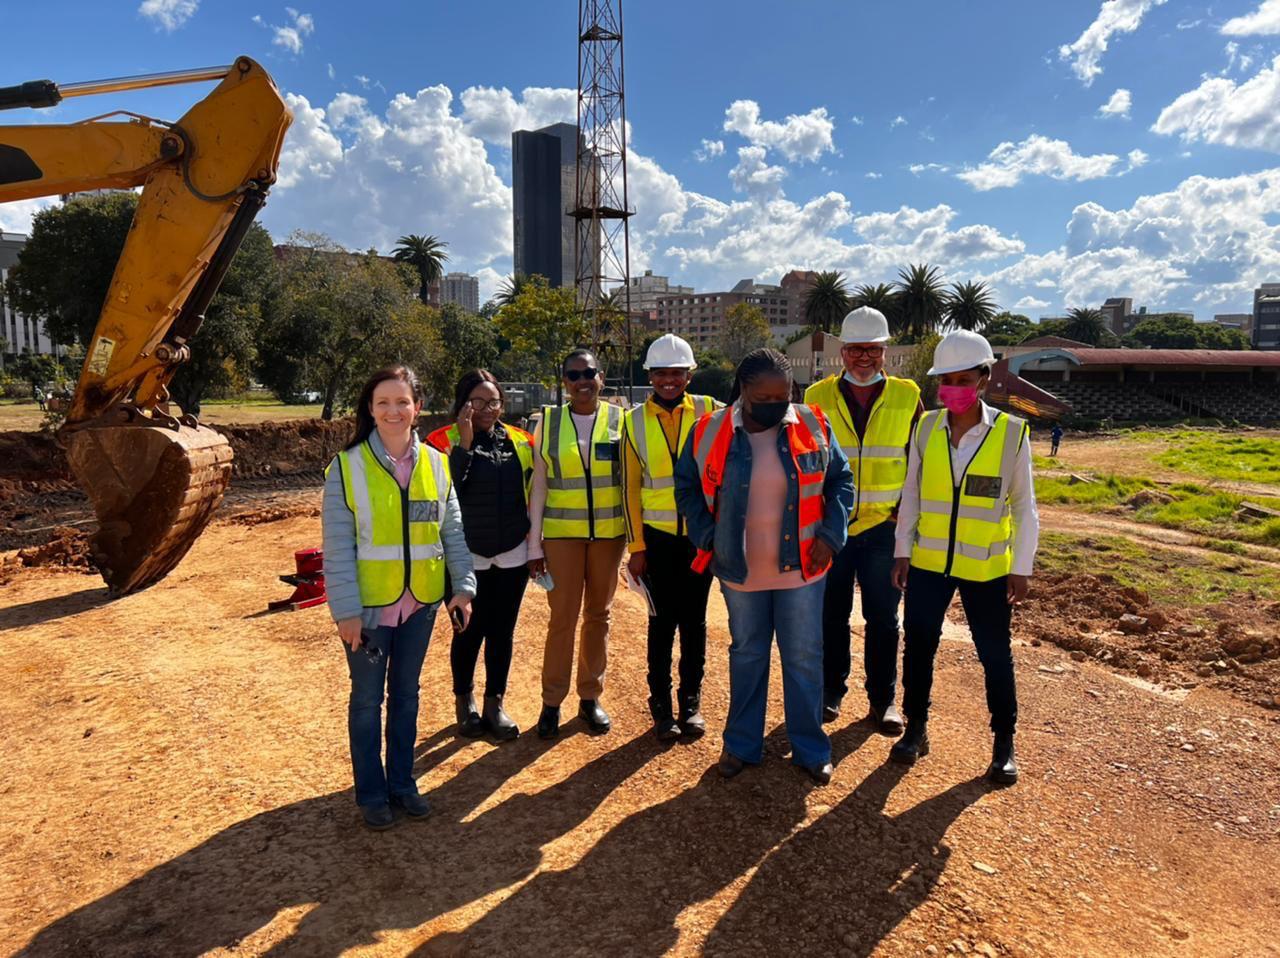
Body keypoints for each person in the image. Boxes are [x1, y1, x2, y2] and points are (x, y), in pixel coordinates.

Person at [675, 348, 853, 784]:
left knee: (804, 656)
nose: (776, 405)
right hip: (741, 568)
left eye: (784, 395)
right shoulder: (709, 430)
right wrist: (708, 537)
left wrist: (831, 536)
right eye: (764, 397)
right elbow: (686, 488)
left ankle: (811, 749)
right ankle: (741, 744)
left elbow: (841, 481)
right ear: (743, 390)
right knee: (748, 653)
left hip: (804, 567)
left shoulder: (814, 424)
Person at [322, 365, 476, 830]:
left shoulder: (436, 463)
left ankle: (403, 784)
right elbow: (337, 547)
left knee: (407, 696)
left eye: (402, 402)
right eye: (383, 402)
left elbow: (452, 532)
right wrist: (346, 611)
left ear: (417, 407)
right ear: (370, 410)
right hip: (368, 611)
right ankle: (372, 793)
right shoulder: (347, 467)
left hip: (420, 606)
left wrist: (463, 588)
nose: (394, 411)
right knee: (367, 701)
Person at [890, 330, 1040, 786]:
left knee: (994, 655)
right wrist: (902, 550)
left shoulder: (1011, 433)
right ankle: (916, 727)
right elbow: (912, 493)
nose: (952, 388)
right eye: (945, 380)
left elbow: (1024, 506)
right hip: (929, 562)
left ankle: (1003, 743)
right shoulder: (926, 427)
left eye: (962, 379)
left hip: (986, 568)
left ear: (984, 378)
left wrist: (1021, 567)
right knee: (919, 647)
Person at [804, 306, 923, 734]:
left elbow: (918, 459)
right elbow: (805, 458)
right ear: (842, 352)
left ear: (885, 351)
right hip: (831, 528)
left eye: (873, 349)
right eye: (856, 349)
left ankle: (882, 700)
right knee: (830, 615)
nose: (864, 358)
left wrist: (905, 515)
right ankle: (831, 691)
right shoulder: (816, 396)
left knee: (884, 619)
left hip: (883, 529)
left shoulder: (908, 395)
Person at [621, 334, 722, 741]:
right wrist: (636, 547)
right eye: (660, 373)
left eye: (677, 373)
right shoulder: (632, 422)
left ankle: (690, 704)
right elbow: (629, 488)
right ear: (649, 376)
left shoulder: (711, 410)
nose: (668, 380)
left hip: (699, 540)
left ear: (689, 375)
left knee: (695, 624)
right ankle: (661, 707)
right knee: (661, 625)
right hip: (658, 541)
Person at [426, 370, 534, 743]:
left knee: (502, 633)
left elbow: (533, 492)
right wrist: (466, 444)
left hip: (511, 554)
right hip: (463, 557)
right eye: (477, 401)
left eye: (493, 402)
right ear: (463, 403)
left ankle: (494, 704)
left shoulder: (522, 441)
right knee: (468, 632)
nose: (487, 409)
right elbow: (444, 494)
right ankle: (465, 702)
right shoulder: (439, 442)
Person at [527, 349, 627, 739]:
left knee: (599, 616)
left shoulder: (621, 420)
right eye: (574, 375)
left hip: (608, 536)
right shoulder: (548, 422)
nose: (582, 381)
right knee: (562, 620)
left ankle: (590, 698)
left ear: (601, 376)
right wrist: (534, 545)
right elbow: (539, 485)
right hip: (562, 536)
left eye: (589, 373)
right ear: (564, 381)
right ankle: (551, 702)